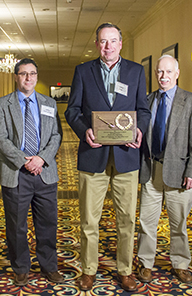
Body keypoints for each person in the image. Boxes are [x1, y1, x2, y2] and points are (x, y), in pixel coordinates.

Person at [65, 22, 151, 292]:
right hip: (93, 154)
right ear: (96, 44)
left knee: (126, 219)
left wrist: (139, 130)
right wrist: (84, 131)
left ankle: (125, 270)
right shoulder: (83, 71)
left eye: (112, 41)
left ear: (121, 43)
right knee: (89, 219)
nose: (108, 46)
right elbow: (72, 110)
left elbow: (143, 110)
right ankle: (89, 270)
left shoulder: (136, 71)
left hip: (127, 156)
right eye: (103, 41)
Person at [0, 58, 64, 286]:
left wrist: (41, 159)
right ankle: (21, 266)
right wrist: (25, 161)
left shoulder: (49, 103)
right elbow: (0, 138)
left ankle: (49, 266)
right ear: (16, 76)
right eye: (23, 74)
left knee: (48, 223)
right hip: (16, 173)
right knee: (16, 225)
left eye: (32, 73)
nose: (28, 78)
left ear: (37, 76)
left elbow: (56, 136)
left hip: (44, 172)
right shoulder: (2, 104)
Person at [137, 55, 192, 284]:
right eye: (159, 72)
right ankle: (146, 263)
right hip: (151, 170)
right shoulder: (146, 101)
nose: (163, 77)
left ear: (177, 73)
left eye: (167, 72)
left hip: (180, 172)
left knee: (179, 224)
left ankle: (180, 263)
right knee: (147, 222)